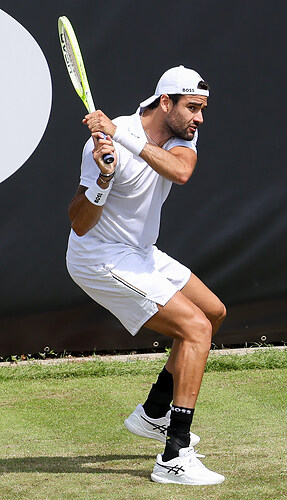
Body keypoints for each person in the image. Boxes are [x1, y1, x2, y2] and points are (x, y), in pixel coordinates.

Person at [66, 65, 226, 485]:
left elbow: (181, 172)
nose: (200, 118)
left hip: (140, 252)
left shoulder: (178, 135)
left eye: (203, 109)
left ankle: (153, 413)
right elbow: (80, 224)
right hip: (99, 258)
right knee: (195, 330)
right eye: (193, 108)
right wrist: (103, 177)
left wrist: (123, 139)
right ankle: (174, 456)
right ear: (165, 103)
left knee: (213, 313)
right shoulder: (103, 142)